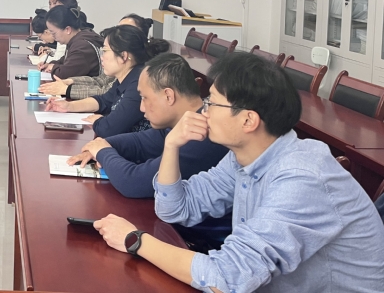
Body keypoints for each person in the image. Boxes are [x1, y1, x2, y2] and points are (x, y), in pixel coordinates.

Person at [94, 52, 384, 293]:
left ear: (248, 120)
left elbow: (228, 278)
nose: (203, 112)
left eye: (211, 103)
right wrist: (172, 146)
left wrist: (136, 240)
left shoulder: (303, 178)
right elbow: (175, 209)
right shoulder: (242, 157)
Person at [67, 53, 228, 198]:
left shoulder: (201, 134)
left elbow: (134, 182)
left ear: (168, 96)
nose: (141, 108)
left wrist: (103, 152)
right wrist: (100, 146)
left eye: (144, 98)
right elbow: (141, 142)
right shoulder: (185, 121)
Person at [44, 24, 169, 137]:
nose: (102, 57)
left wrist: (99, 121)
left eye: (104, 51)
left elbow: (109, 128)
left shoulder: (139, 83)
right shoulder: (127, 77)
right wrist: (69, 106)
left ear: (123, 56)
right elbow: (104, 101)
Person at [39, 13, 152, 100]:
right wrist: (70, 81)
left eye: (125, 30)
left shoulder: (138, 72)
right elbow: (100, 81)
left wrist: (67, 89)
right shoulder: (119, 63)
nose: (117, 33)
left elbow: (105, 92)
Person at [37, 5, 102, 79]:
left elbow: (64, 75)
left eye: (53, 33)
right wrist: (49, 65)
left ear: (67, 29)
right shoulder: (77, 39)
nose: (53, 36)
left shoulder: (82, 46)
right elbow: (65, 60)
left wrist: (53, 67)